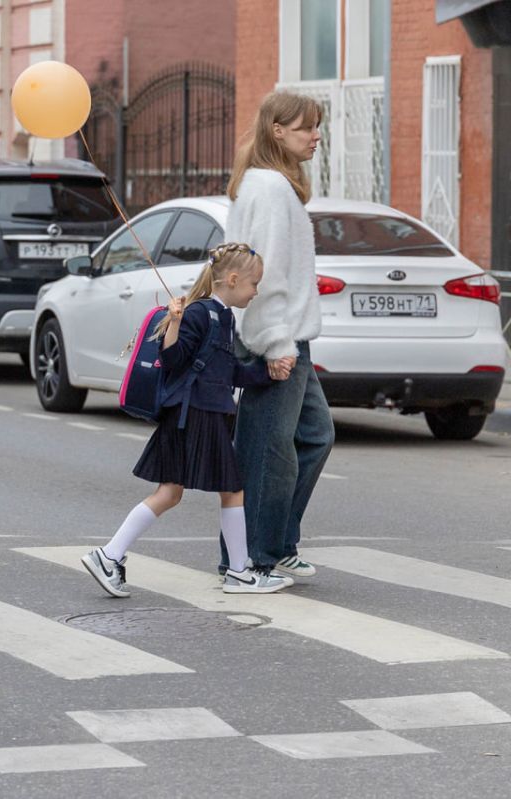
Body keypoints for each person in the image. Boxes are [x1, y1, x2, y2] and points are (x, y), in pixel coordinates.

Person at [81, 243, 295, 596]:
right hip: (195, 415)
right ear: (233, 279)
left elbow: (228, 372)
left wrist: (268, 373)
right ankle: (238, 573)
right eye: (254, 284)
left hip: (199, 414)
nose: (256, 292)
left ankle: (108, 556)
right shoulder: (199, 313)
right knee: (230, 490)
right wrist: (175, 324)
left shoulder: (224, 317)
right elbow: (173, 360)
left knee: (170, 493)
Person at [222, 91, 335, 581]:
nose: (316, 136)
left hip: (290, 335)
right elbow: (261, 273)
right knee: (268, 452)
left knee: (314, 436)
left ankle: (276, 541)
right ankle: (251, 560)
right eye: (306, 127)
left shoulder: (272, 184)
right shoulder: (269, 188)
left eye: (316, 126)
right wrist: (275, 343)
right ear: (278, 131)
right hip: (277, 337)